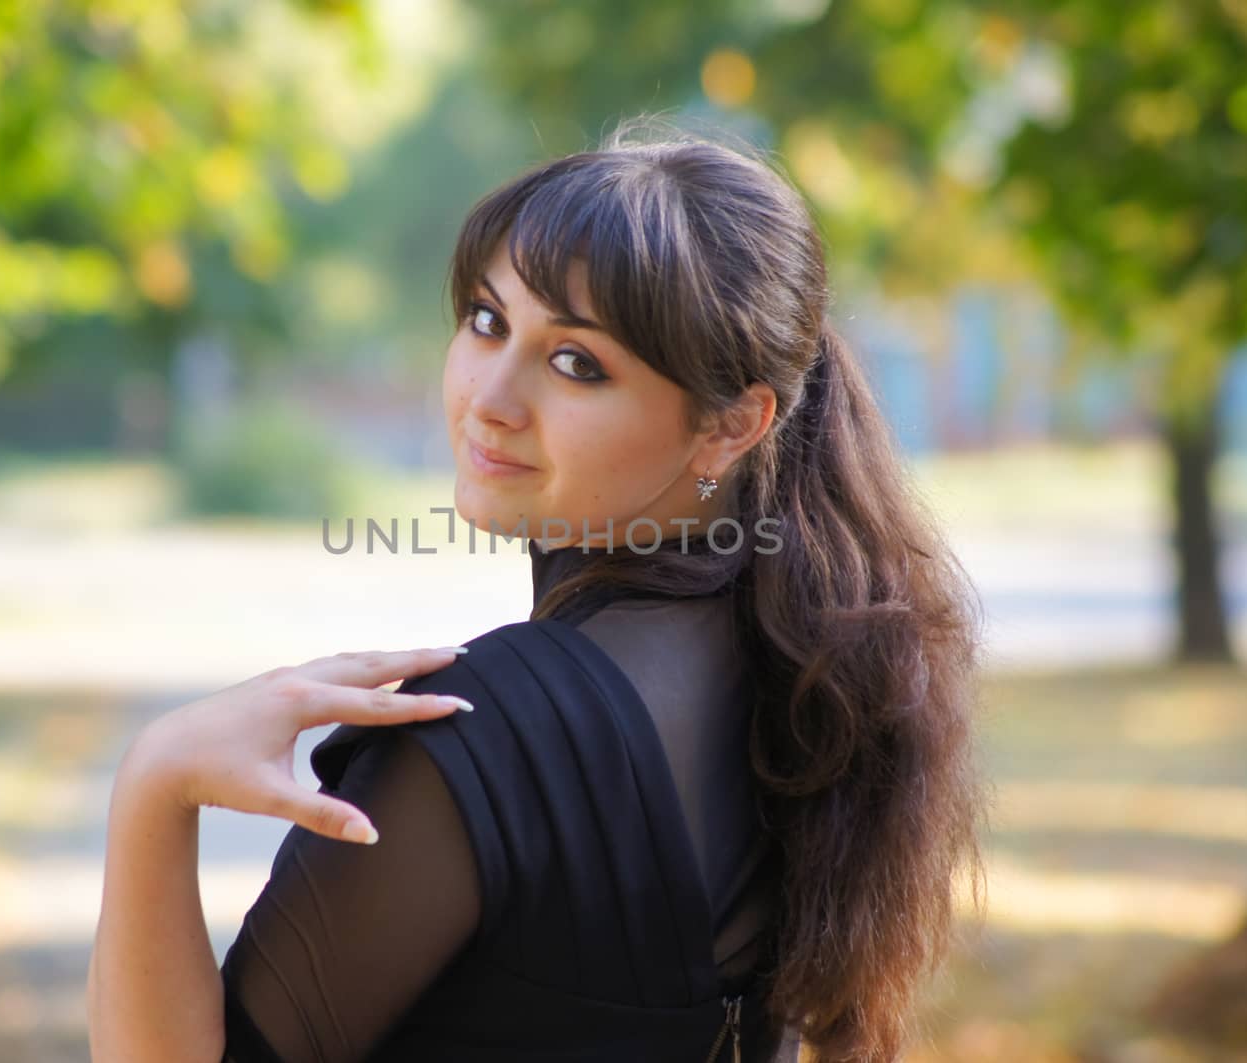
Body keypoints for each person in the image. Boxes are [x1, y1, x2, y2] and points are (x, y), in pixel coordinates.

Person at [87, 118, 990, 1063]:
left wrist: (156, 781)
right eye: (487, 320)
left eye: (576, 363)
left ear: (730, 425)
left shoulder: (498, 735)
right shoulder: (798, 662)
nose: (491, 397)